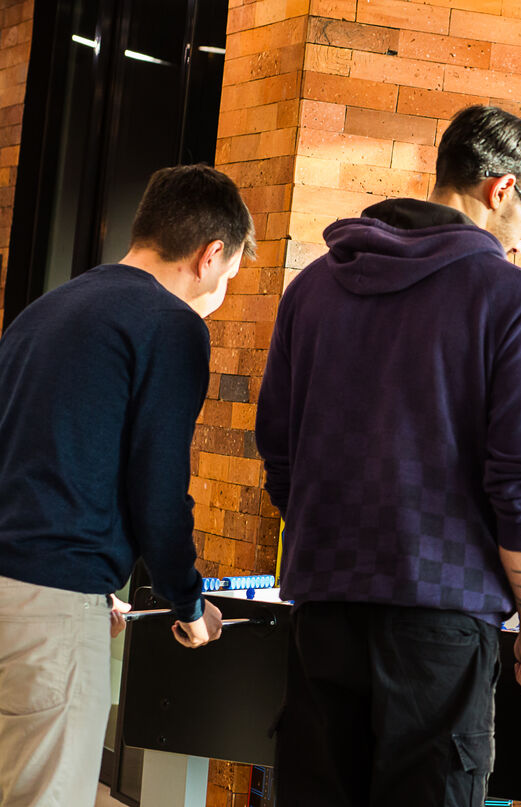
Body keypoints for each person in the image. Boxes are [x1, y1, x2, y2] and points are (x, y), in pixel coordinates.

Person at [255, 105, 521, 806]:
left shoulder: (310, 290)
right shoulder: (514, 302)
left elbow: (278, 450)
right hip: (441, 631)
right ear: (500, 189)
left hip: (322, 618)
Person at [0, 164, 251, 806]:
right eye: (228, 277)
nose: (221, 292)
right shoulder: (170, 325)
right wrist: (189, 603)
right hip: (48, 613)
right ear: (211, 254)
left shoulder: (46, 310)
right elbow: (160, 487)